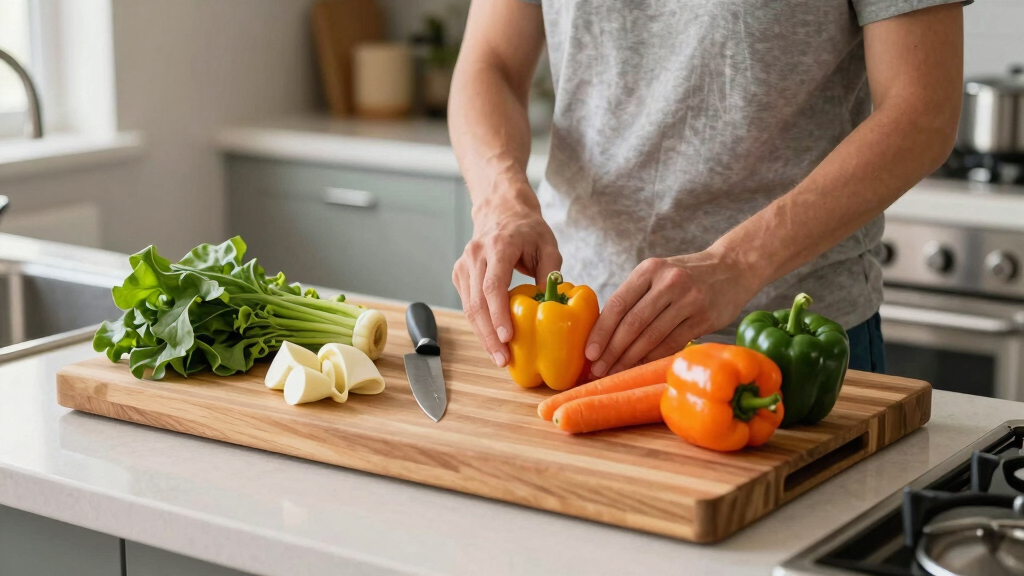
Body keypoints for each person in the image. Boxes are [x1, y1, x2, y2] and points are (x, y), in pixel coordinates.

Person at [449, 0, 965, 378]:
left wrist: (738, 262)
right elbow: (490, 61)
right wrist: (501, 200)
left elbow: (923, 112)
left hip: (788, 339)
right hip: (572, 337)